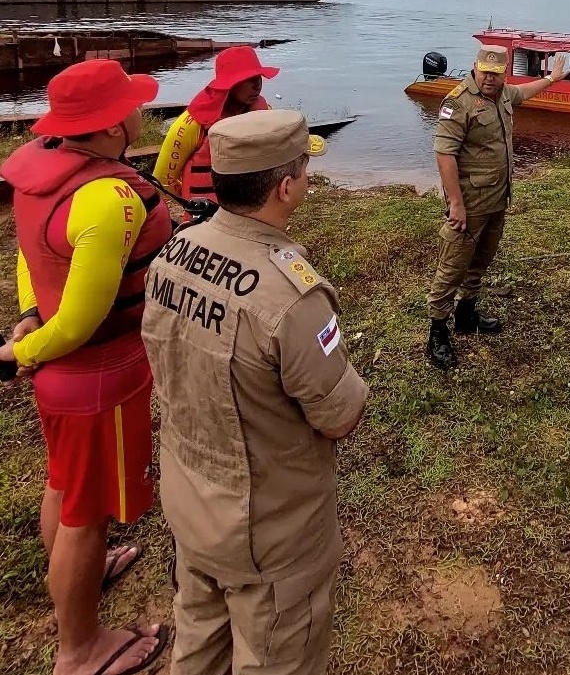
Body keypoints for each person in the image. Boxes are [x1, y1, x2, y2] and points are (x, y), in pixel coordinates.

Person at [141, 110, 368, 675]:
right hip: (269, 533)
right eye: (304, 171)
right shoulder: (290, 296)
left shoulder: (171, 255)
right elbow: (339, 415)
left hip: (190, 502)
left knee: (197, 637)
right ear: (286, 188)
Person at [0, 59, 173, 675]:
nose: (139, 110)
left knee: (66, 486)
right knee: (86, 511)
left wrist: (27, 317)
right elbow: (84, 320)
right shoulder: (107, 196)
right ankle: (79, 650)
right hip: (99, 377)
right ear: (107, 130)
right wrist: (23, 350)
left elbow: (32, 256)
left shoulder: (38, 171)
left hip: (62, 380)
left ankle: (83, 575)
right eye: (129, 104)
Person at [426, 44, 566, 370]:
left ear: (503, 73)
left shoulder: (503, 93)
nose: (490, 78)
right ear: (475, 67)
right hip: (470, 203)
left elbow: (523, 93)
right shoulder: (457, 102)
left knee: (480, 260)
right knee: (452, 266)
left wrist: (552, 79)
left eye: (497, 73)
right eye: (485, 71)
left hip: (497, 198)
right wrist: (456, 204)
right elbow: (444, 154)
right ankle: (437, 331)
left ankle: (466, 314)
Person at [151, 45, 279, 203]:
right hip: (205, 217)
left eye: (258, 77)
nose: (257, 85)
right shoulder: (192, 123)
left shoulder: (262, 113)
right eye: (248, 79)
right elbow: (162, 179)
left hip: (248, 209)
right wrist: (191, 201)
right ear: (229, 84)